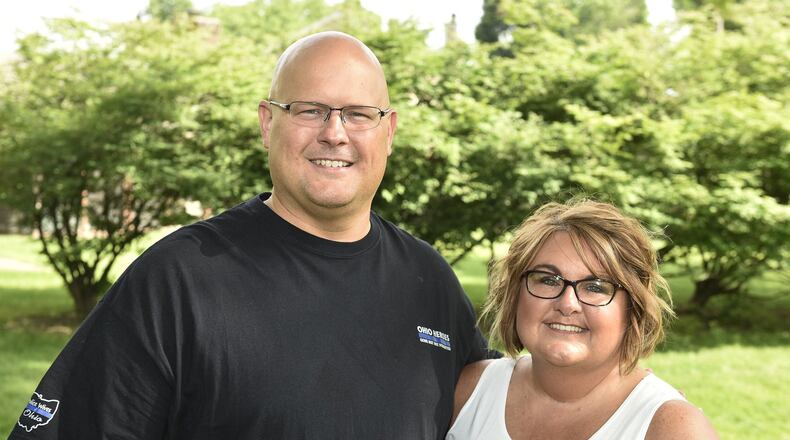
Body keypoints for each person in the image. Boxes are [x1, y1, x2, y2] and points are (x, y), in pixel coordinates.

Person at [10, 31, 493, 440]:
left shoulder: (428, 281)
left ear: (388, 133)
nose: (335, 133)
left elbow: (505, 411)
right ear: (267, 123)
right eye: (310, 110)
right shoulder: (179, 280)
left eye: (359, 114)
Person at [447, 200, 718, 439]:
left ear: (632, 309)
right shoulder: (468, 392)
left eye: (596, 287)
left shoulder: (670, 428)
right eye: (548, 280)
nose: (567, 303)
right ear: (515, 295)